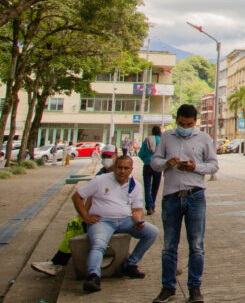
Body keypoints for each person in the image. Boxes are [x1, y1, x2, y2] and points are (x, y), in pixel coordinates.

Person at [150, 103, 219, 303]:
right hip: (172, 196)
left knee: (196, 245)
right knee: (169, 245)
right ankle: (168, 287)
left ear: (195, 122)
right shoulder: (167, 137)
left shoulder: (204, 138)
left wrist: (195, 167)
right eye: (181, 124)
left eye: (189, 124)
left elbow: (214, 165)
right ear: (176, 120)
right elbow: (154, 162)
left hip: (195, 196)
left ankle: (195, 288)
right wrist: (167, 163)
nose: (185, 128)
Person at [73, 154, 160, 293]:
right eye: (119, 168)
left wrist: (138, 221)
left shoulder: (135, 185)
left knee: (152, 232)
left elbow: (137, 209)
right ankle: (93, 276)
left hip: (125, 220)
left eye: (126, 168)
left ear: (131, 169)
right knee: (98, 244)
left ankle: (129, 264)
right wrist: (86, 218)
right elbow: (77, 197)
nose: (122, 171)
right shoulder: (101, 180)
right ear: (114, 168)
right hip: (102, 221)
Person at [31, 145, 118, 278]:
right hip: (97, 214)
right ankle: (57, 262)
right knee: (75, 224)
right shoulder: (101, 174)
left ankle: (57, 263)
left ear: (116, 156)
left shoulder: (120, 174)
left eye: (109, 156)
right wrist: (84, 214)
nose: (106, 159)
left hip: (110, 217)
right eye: (104, 156)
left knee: (76, 226)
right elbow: (90, 196)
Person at [139, 126, 162, 215]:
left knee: (147, 186)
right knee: (155, 187)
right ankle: (152, 205)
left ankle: (149, 205)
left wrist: (146, 159)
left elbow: (140, 153)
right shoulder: (162, 140)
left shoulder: (147, 140)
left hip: (147, 166)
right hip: (157, 166)